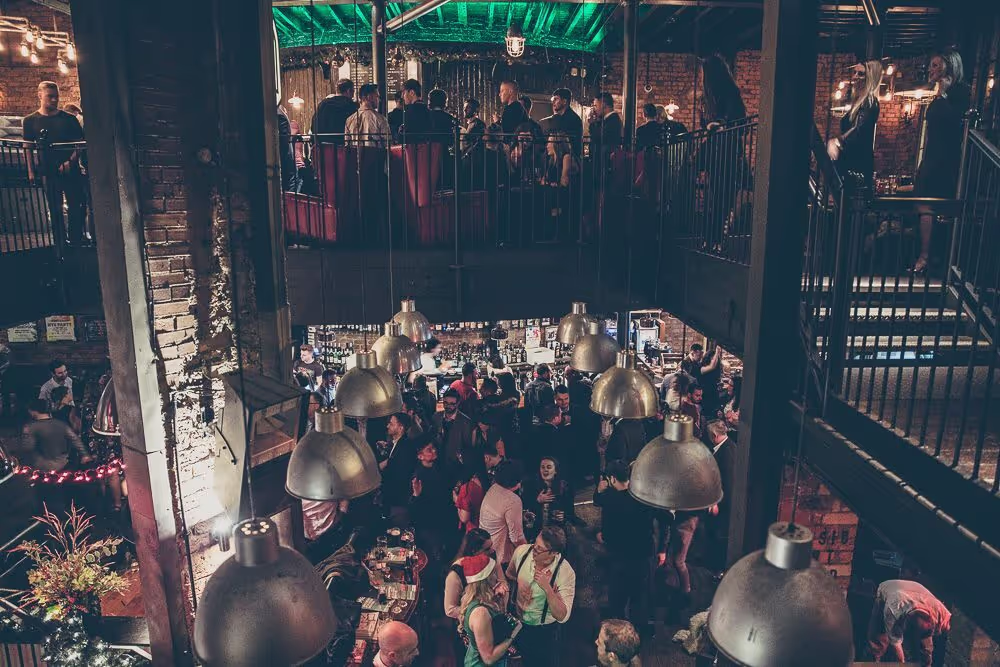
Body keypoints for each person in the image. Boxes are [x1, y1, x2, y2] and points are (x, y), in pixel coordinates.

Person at [912, 50, 971, 274]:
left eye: (936, 65)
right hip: (931, 157)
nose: (931, 69)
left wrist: (944, 95)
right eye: (931, 65)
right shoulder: (940, 92)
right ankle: (929, 256)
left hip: (946, 159)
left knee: (929, 205)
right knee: (922, 204)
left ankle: (928, 257)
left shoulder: (960, 92)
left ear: (949, 66)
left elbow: (955, 123)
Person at [595, 460, 658, 633]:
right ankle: (638, 633)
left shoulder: (610, 499)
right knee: (639, 597)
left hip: (620, 558)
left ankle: (618, 634)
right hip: (642, 555)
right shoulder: (643, 496)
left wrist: (601, 537)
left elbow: (606, 534)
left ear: (613, 479)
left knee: (618, 598)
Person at [22, 81, 87, 248]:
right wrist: (30, 171)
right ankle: (60, 242)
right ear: (40, 96)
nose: (54, 100)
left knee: (76, 205)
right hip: (47, 171)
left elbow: (79, 144)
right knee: (55, 208)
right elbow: (27, 146)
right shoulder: (30, 120)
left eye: (56, 96)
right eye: (50, 96)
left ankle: (76, 240)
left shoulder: (69, 119)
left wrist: (70, 162)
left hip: (70, 170)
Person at [507, 526, 577, 666]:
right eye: (535, 544)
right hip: (517, 622)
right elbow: (510, 574)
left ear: (554, 553)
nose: (534, 549)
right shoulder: (522, 552)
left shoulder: (565, 572)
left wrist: (548, 589)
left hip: (543, 632)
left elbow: (562, 616)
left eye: (539, 549)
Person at [866, 579, 951, 666]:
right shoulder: (892, 610)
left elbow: (947, 629)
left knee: (926, 648)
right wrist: (902, 663)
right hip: (889, 588)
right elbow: (896, 645)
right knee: (879, 635)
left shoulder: (942, 613)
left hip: (917, 591)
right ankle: (874, 659)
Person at [827, 60, 882, 191]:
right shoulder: (859, 102)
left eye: (861, 74)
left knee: (849, 207)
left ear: (870, 78)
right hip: (851, 164)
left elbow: (858, 131)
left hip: (857, 167)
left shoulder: (869, 102)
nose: (855, 77)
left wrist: (836, 142)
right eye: (855, 72)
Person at [460, 553, 521, 666]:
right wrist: (513, 634)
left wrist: (502, 599)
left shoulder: (485, 599)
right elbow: (488, 658)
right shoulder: (480, 613)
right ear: (486, 579)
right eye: (494, 572)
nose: (497, 576)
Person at [479, 461, 527, 569]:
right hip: (501, 557)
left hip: (485, 550)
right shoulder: (513, 500)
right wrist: (531, 553)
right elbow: (516, 538)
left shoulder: (493, 488)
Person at [445, 528, 495, 620]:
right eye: (487, 549)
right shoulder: (456, 573)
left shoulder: (490, 558)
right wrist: (478, 613)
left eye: (492, 546)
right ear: (474, 552)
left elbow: (501, 581)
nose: (492, 551)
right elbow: (450, 609)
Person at [379, 413, 417, 522]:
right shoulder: (399, 444)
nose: (387, 426)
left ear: (400, 428)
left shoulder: (405, 448)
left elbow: (399, 476)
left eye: (391, 424)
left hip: (398, 502)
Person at [522, 456, 574, 533]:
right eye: (542, 467)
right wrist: (537, 501)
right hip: (536, 529)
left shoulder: (565, 487)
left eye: (549, 467)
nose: (545, 469)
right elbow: (524, 509)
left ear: (555, 471)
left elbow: (570, 512)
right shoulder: (531, 486)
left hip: (557, 529)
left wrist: (564, 516)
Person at [432, 389, 475, 466]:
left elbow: (468, 447)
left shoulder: (466, 422)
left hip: (456, 464)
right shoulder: (436, 417)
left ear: (458, 403)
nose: (448, 406)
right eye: (445, 403)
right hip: (437, 462)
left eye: (452, 404)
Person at [312, 78, 358, 144]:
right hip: (342, 147)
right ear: (348, 91)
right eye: (353, 91)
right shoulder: (351, 106)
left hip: (323, 146)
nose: (353, 94)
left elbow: (314, 125)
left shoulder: (323, 104)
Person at [345, 83, 390, 148]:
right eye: (377, 96)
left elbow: (347, 145)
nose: (379, 100)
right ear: (370, 97)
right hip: (375, 157)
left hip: (355, 157)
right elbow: (388, 144)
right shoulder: (380, 119)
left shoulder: (349, 119)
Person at [540, 88, 583, 155]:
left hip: (568, 156)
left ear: (564, 101)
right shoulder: (560, 117)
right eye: (553, 99)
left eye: (556, 99)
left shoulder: (573, 119)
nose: (553, 102)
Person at [453, 461, 487, 533]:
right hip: (486, 525)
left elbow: (464, 518)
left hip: (474, 530)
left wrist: (457, 501)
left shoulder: (467, 488)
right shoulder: (484, 478)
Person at [588, 92, 623, 158]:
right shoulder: (606, 120)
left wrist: (592, 123)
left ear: (603, 105)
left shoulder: (613, 121)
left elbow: (598, 137)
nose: (594, 109)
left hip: (605, 162)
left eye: (596, 106)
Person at [277, 104, 300, 193]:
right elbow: (284, 139)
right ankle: (289, 205)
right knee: (294, 179)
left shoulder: (277, 113)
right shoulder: (279, 114)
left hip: (285, 156)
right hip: (285, 155)